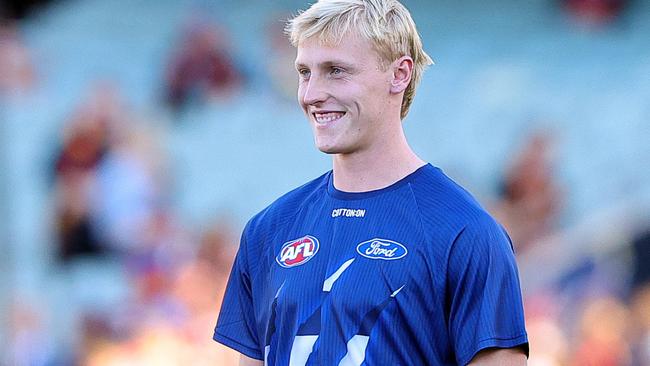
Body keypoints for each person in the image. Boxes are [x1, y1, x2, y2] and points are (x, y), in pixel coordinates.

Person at [214, 0, 529, 365]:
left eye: (336, 71)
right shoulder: (268, 230)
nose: (311, 93)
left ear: (399, 74)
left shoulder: (466, 232)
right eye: (304, 72)